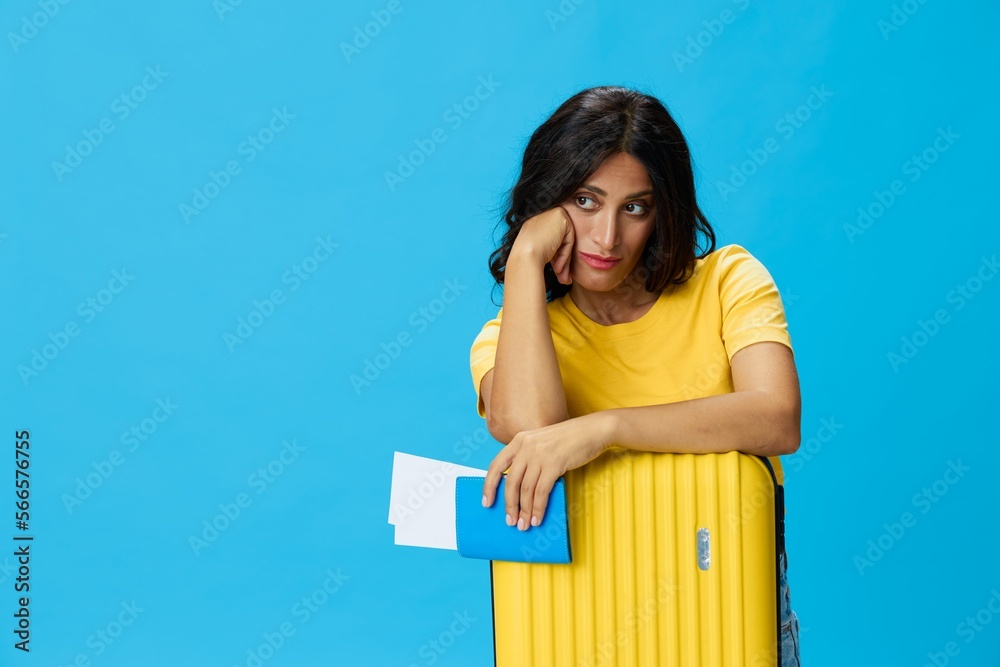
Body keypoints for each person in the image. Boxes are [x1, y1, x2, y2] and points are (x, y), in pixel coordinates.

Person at [468, 85, 803, 665]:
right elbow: (531, 428)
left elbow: (776, 418)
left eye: (635, 207)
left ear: (662, 211)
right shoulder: (513, 338)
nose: (607, 238)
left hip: (726, 602)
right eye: (585, 201)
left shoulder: (729, 282)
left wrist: (604, 427)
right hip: (577, 620)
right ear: (549, 204)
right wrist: (525, 259)